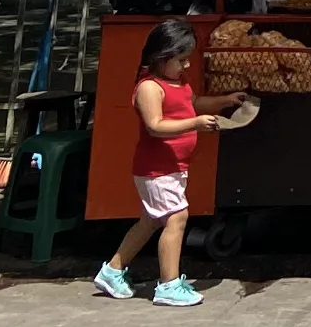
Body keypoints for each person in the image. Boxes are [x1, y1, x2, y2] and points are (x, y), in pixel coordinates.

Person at [94, 17, 246, 306]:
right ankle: (168, 286)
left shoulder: (177, 81)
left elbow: (193, 102)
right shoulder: (149, 87)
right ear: (161, 57)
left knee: (151, 220)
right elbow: (155, 125)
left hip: (173, 167)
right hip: (156, 168)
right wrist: (196, 124)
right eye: (181, 60)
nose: (186, 66)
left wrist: (223, 101)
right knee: (177, 218)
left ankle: (112, 271)